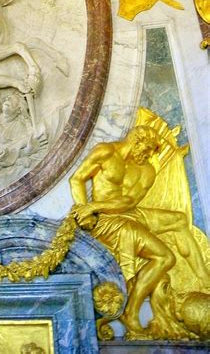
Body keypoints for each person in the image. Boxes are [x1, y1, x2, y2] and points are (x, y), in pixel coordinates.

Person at [70, 124, 209, 339]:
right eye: (147, 149)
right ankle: (131, 311)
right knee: (164, 257)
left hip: (128, 212)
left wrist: (93, 206)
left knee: (179, 220)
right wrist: (84, 211)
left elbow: (129, 201)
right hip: (105, 220)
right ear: (136, 140)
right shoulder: (105, 152)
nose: (148, 155)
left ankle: (203, 279)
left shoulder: (146, 170)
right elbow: (76, 179)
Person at [0, 74, 47, 164]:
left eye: (12, 100)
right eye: (7, 98)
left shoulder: (19, 129)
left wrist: (27, 151)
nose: (7, 100)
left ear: (19, 110)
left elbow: (16, 151)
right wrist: (17, 84)